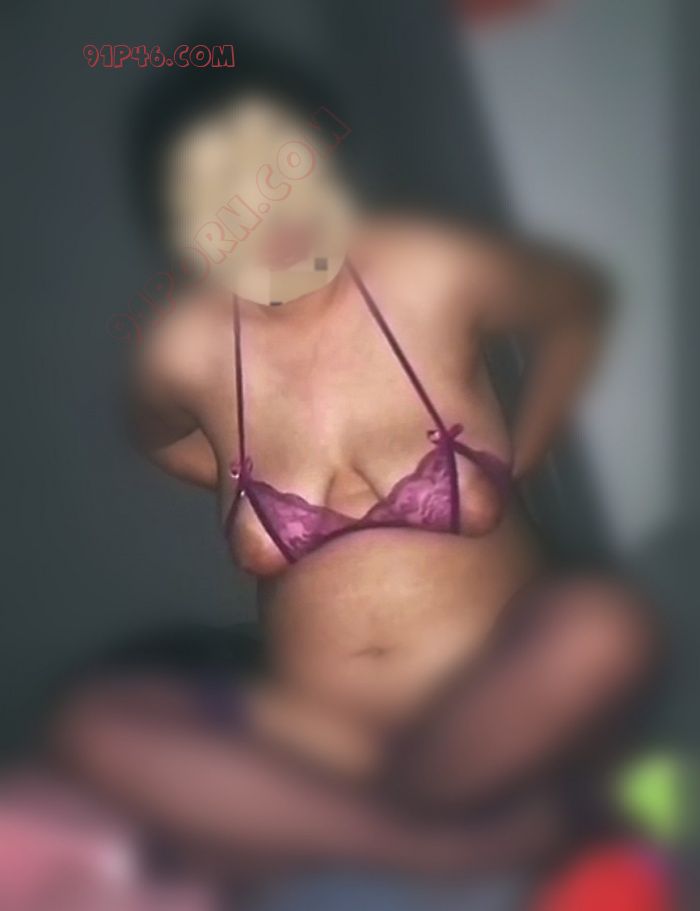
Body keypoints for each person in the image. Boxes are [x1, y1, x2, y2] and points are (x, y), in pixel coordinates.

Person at [49, 51, 659, 884]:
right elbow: (152, 435)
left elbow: (579, 302)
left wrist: (530, 445)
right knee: (92, 726)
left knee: (606, 630)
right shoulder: (184, 349)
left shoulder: (430, 267)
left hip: (492, 692)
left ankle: (335, 826)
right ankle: (431, 841)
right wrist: (226, 475)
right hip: (319, 738)